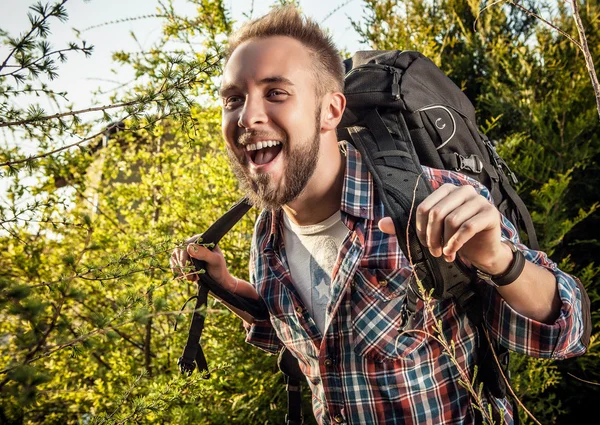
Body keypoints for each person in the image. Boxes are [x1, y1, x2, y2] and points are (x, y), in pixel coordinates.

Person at [171, 6, 589, 424]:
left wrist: (499, 260)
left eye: (276, 93)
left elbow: (564, 335)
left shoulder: (429, 201)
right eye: (233, 99)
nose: (248, 116)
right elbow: (304, 342)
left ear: (330, 111)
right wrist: (226, 287)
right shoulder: (267, 237)